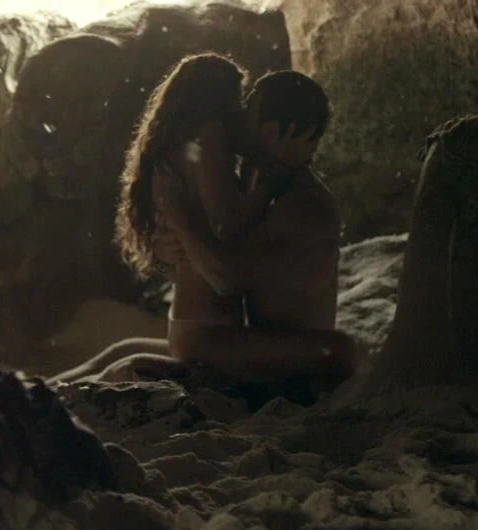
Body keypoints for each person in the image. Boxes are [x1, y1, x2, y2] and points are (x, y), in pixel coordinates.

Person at [53, 56, 357, 388]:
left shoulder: (294, 198)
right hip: (212, 330)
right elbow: (226, 246)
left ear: (270, 130)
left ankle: (48, 387)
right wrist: (174, 227)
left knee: (126, 352)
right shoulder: (226, 150)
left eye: (247, 108)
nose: (238, 116)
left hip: (216, 330)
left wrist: (175, 225)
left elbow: (227, 253)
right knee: (338, 350)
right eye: (238, 103)